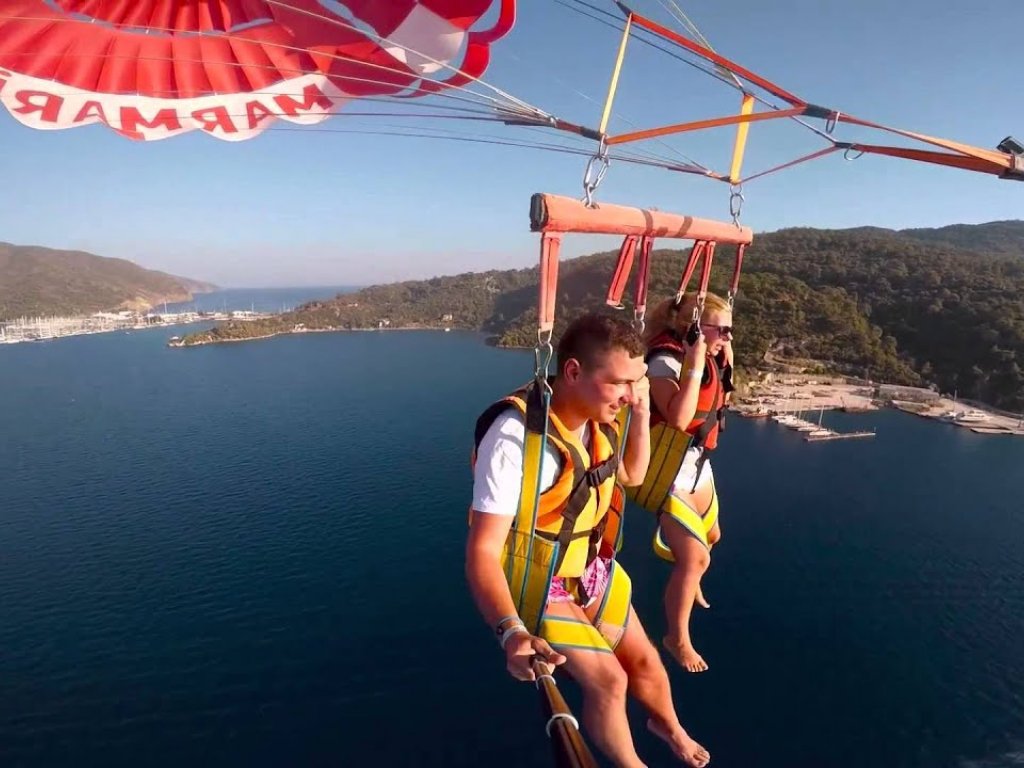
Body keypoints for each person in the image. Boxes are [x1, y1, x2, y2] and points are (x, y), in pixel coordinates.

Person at [465, 313, 711, 768]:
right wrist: (510, 631)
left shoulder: (602, 418)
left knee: (648, 665)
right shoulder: (517, 438)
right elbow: (482, 550)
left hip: (590, 566)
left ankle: (667, 726)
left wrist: (639, 412)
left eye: (636, 383)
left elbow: (634, 475)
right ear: (574, 372)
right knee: (610, 682)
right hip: (541, 580)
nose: (630, 394)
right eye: (620, 383)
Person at [625, 292, 734, 674]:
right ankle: (677, 637)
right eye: (721, 330)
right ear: (692, 329)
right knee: (695, 556)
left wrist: (719, 358)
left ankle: (692, 578)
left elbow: (718, 398)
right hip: (667, 469)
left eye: (730, 330)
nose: (727, 337)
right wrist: (694, 361)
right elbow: (678, 416)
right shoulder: (664, 361)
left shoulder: (712, 355)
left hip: (695, 461)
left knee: (713, 536)